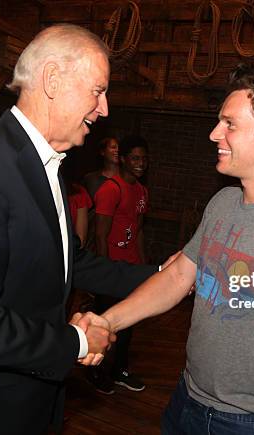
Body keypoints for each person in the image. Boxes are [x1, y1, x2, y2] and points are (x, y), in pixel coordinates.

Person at [0, 24, 159, 435]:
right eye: (98, 90)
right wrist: (76, 343)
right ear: (52, 80)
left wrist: (165, 274)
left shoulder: (51, 166)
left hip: (28, 395)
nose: (104, 109)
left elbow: (66, 261)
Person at [96, 64, 254, 434]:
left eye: (230, 124)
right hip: (185, 399)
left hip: (247, 424)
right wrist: (108, 321)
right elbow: (177, 276)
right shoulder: (222, 202)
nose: (215, 133)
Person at [88, 135, 149, 394]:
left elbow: (138, 230)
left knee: (128, 322)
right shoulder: (111, 189)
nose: (141, 163)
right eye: (135, 158)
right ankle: (95, 370)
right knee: (103, 324)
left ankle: (119, 369)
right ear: (122, 159)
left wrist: (144, 267)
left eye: (144, 159)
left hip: (131, 268)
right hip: (111, 269)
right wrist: (104, 274)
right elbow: (100, 234)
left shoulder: (142, 191)